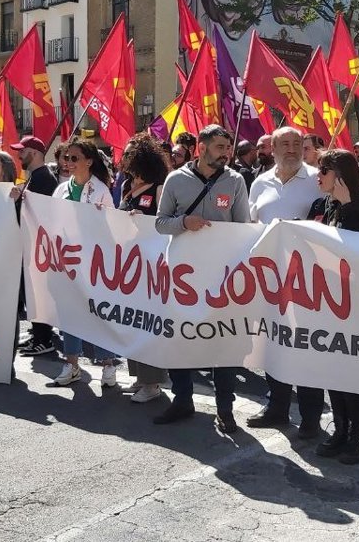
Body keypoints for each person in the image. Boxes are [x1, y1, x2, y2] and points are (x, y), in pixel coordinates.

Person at [154, 125, 250, 434]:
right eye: (220, 147)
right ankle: (182, 400)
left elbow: (243, 227)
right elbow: (160, 223)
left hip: (220, 277)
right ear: (202, 147)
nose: (226, 153)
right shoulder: (176, 179)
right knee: (180, 339)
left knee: (222, 343)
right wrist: (184, 222)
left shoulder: (235, 181)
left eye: (228, 148)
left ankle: (225, 409)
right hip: (183, 277)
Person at [247, 127, 324, 437]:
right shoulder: (259, 183)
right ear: (273, 148)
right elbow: (250, 226)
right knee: (272, 344)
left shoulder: (318, 181)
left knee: (305, 347)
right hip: (269, 279)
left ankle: (310, 417)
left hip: (309, 281)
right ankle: (276, 407)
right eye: (285, 144)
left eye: (297, 144)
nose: (292, 149)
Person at [307, 148, 359, 463]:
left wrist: (348, 204)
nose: (318, 175)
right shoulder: (325, 204)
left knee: (350, 371)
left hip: (354, 299)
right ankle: (339, 429)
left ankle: (357, 436)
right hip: (327, 297)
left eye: (324, 170)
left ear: (340, 175)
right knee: (332, 368)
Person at [47, 139, 119, 388]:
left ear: (89, 161)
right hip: (68, 261)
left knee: (99, 313)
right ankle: (72, 364)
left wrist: (101, 217)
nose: (68, 162)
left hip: (94, 263)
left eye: (74, 158)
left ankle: (108, 364)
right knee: (70, 314)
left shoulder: (101, 190)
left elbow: (113, 227)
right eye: (66, 158)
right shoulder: (61, 190)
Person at [115, 133, 172, 403]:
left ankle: (153, 383)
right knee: (132, 322)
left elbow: (165, 223)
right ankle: (139, 377)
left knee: (148, 325)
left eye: (129, 154)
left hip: (151, 266)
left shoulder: (158, 188)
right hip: (129, 265)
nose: (124, 158)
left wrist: (143, 220)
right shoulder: (126, 185)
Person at [10, 136, 62, 358]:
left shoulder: (43, 178)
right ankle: (38, 334)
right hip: (32, 244)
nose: (19, 155)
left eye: (23, 151)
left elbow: (41, 214)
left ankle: (43, 339)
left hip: (38, 246)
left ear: (35, 153)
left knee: (38, 293)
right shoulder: (36, 177)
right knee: (32, 293)